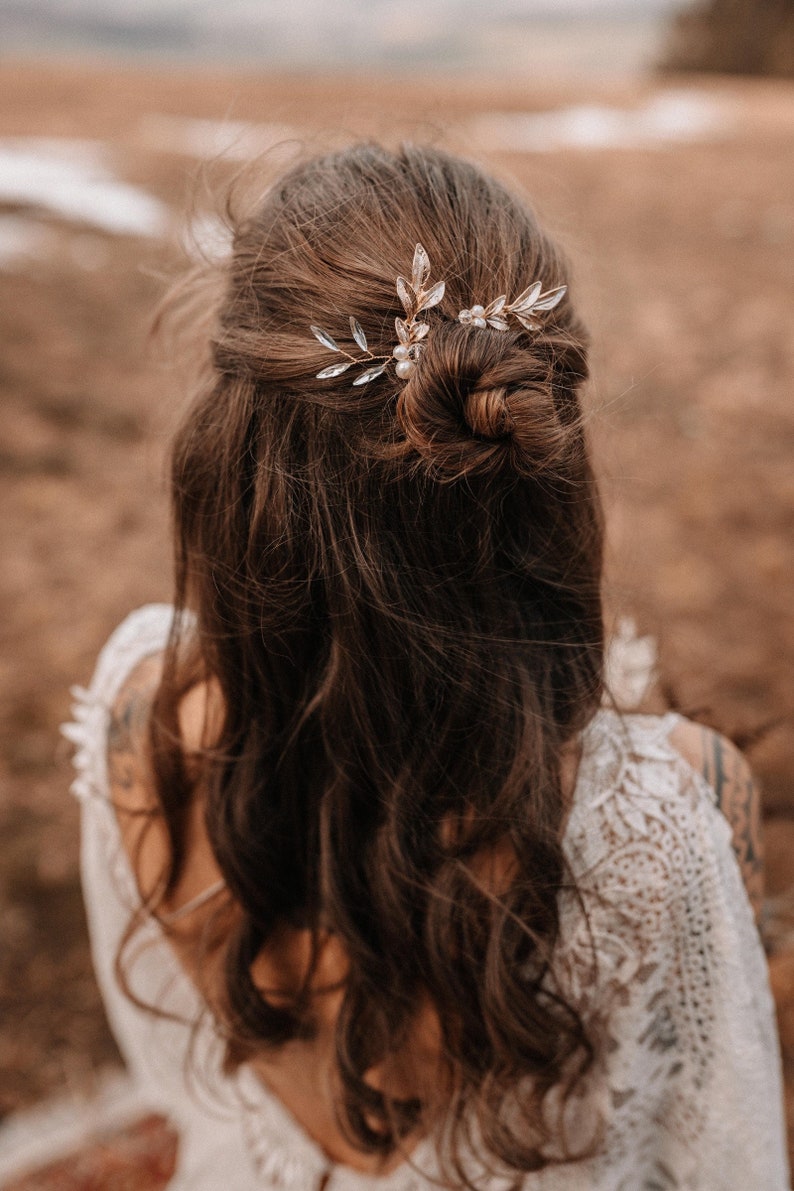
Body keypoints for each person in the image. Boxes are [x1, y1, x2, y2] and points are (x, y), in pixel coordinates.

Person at [65, 143, 789, 1189]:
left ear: (227, 448)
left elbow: (179, 1073)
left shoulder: (143, 709)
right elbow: (719, 1159)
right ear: (544, 458)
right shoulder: (669, 809)